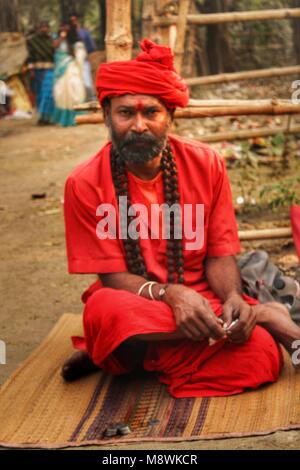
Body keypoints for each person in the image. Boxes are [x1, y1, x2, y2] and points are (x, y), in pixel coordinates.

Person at [62, 39, 300, 398]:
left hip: (205, 300)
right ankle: (261, 316)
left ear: (170, 117)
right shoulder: (83, 183)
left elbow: (219, 254)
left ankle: (134, 355)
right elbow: (111, 276)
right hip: (136, 300)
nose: (139, 125)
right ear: (106, 116)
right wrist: (170, 294)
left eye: (151, 113)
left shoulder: (207, 164)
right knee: (106, 314)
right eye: (126, 113)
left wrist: (233, 295)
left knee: (263, 358)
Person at [52, 23, 86, 127]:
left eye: (66, 28)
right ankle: (64, 118)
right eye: (62, 27)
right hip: (60, 68)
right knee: (61, 91)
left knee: (73, 89)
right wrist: (62, 38)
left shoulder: (77, 42)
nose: (63, 29)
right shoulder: (57, 38)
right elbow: (53, 47)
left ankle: (75, 117)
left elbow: (78, 56)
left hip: (71, 67)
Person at [26, 20, 55, 124]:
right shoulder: (32, 40)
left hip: (50, 69)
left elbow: (54, 53)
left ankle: (48, 117)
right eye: (42, 27)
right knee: (39, 94)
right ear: (38, 28)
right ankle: (42, 118)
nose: (44, 29)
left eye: (46, 27)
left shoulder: (51, 40)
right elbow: (29, 56)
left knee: (48, 93)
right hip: (37, 70)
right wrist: (31, 70)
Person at [69, 13, 96, 100]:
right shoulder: (69, 34)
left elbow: (91, 47)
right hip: (72, 61)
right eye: (71, 21)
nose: (73, 22)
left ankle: (91, 99)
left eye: (74, 20)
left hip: (84, 60)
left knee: (86, 81)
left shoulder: (84, 33)